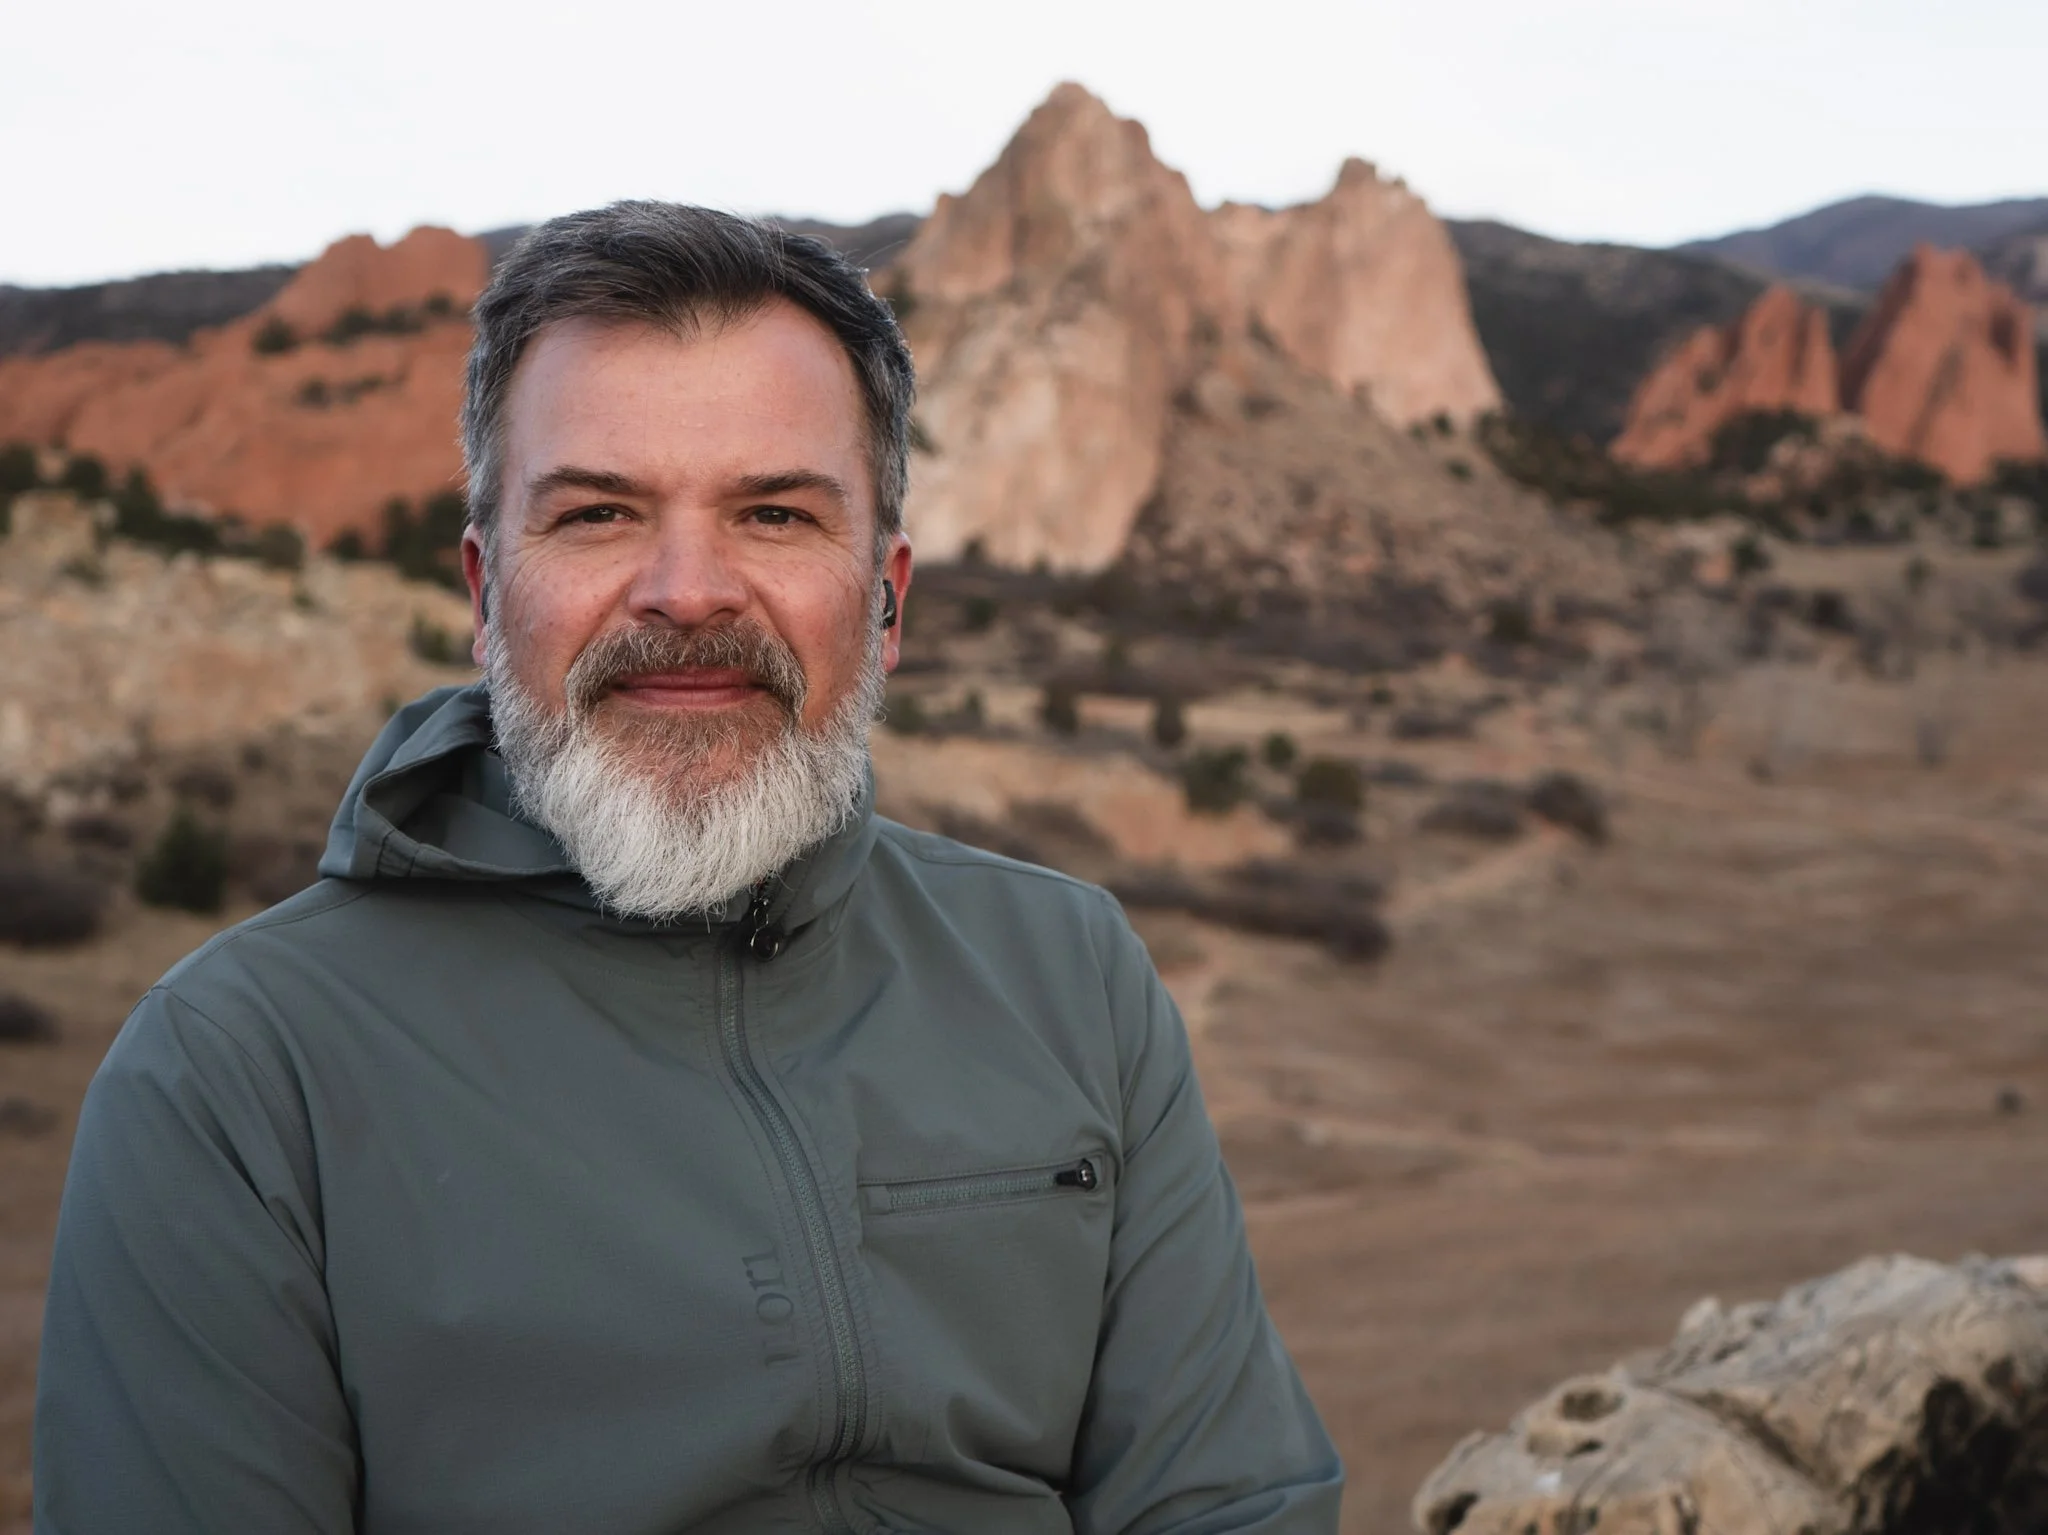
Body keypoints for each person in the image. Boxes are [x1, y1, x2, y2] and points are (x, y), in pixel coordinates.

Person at [34, 202, 1342, 1534]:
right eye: (600, 512)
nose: (687, 589)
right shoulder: (236, 1073)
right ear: (486, 593)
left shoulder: (1071, 974)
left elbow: (1231, 1500)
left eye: (772, 512)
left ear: (886, 599)